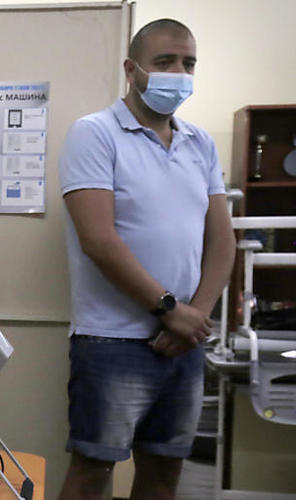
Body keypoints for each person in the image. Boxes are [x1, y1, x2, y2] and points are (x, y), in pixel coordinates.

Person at [57, 19, 235, 500]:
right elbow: (99, 240)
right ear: (132, 69)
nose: (179, 73)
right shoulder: (94, 134)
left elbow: (222, 241)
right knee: (93, 471)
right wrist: (170, 310)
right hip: (112, 340)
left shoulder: (200, 143)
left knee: (163, 475)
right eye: (164, 62)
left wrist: (194, 316)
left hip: (184, 341)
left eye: (188, 63)